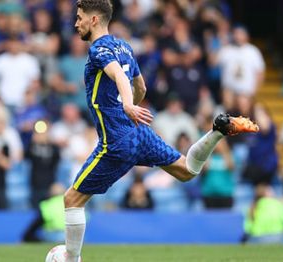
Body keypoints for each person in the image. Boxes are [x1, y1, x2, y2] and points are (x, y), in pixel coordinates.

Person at [62, 1, 259, 261]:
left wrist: (128, 106)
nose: (76, 24)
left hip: (117, 141)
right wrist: (131, 105)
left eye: (79, 18)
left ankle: (71, 260)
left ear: (94, 19)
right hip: (139, 133)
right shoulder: (125, 47)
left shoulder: (98, 49)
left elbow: (120, 78)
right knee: (188, 171)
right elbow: (141, 87)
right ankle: (218, 131)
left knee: (71, 199)